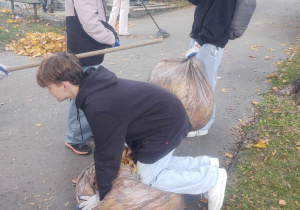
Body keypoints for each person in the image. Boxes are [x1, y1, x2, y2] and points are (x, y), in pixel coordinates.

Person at [37, 52, 228, 210]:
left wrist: (102, 197)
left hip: (165, 127)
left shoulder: (98, 105)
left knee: (149, 177)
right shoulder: (93, 87)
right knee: (156, 164)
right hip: (165, 118)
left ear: (64, 85)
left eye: (49, 88)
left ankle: (210, 180)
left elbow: (106, 154)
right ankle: (206, 164)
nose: (49, 93)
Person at [64, 0, 120, 155]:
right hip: (84, 52)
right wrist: (110, 38)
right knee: (80, 95)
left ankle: (86, 129)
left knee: (91, 94)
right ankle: (75, 138)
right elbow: (90, 23)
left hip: (90, 50)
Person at [185, 0, 237, 137]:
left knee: (205, 82)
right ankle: (195, 119)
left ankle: (203, 125)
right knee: (196, 82)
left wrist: (200, 42)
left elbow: (219, 18)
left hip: (210, 41)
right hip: (201, 37)